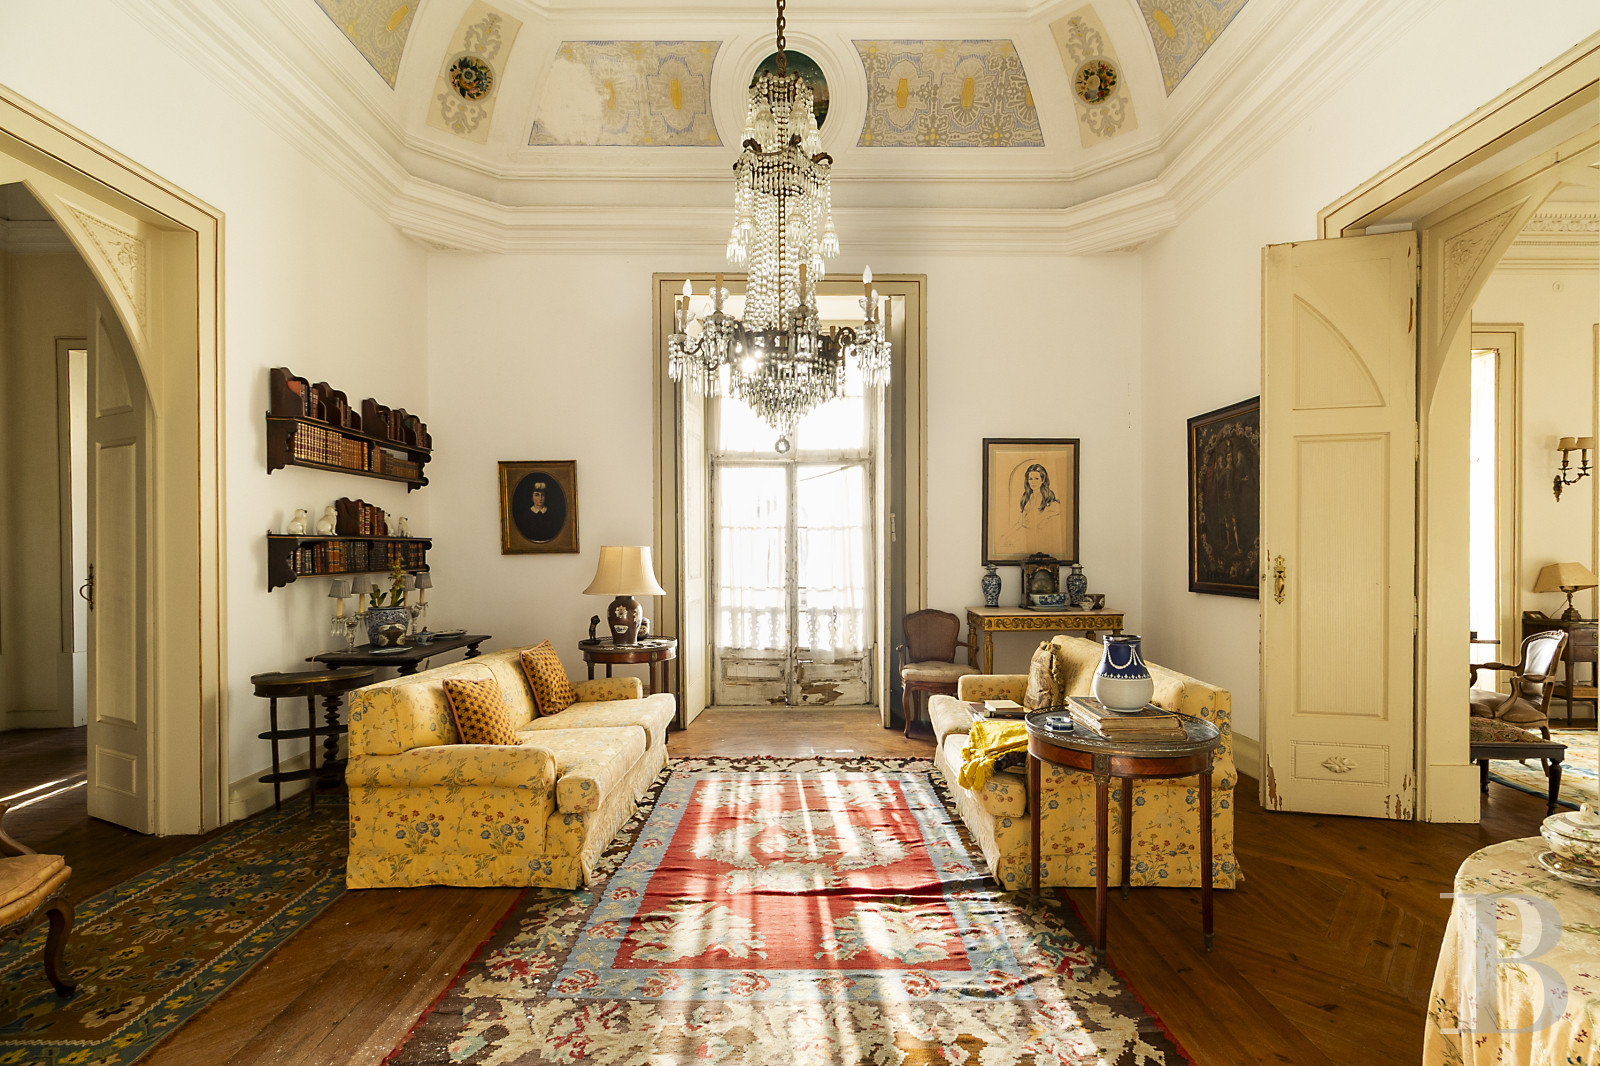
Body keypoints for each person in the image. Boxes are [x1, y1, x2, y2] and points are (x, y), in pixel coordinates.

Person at [999, 463, 1065, 555]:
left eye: (1036, 478)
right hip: (1023, 538)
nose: (1033, 482)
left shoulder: (1049, 500)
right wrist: (1006, 536)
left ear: (1043, 480)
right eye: (1030, 479)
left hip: (1039, 542)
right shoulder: (1026, 497)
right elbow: (1020, 522)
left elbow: (1050, 523)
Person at [517, 478, 564, 543]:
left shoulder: (552, 514)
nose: (540, 498)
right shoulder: (526, 515)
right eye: (537, 495)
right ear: (531, 497)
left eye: (543, 495)